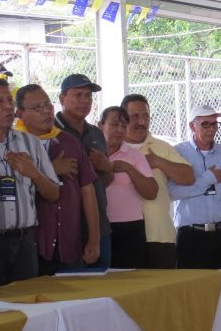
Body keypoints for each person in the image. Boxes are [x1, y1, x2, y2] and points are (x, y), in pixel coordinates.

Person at [0, 78, 59, 288]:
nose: (8, 107)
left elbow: (54, 194)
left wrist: (34, 173)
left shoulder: (31, 143)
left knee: (28, 300)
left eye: (10, 101)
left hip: (25, 241)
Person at [14, 83, 100, 273]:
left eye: (47, 104)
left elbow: (87, 190)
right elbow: (15, 190)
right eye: (37, 107)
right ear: (20, 114)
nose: (46, 111)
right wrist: (52, 170)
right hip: (33, 244)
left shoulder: (69, 142)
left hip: (69, 241)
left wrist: (94, 239)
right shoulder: (15, 145)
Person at [120, 94, 195, 268]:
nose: (142, 122)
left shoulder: (162, 147)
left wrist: (157, 162)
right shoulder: (113, 146)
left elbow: (188, 176)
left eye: (146, 116)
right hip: (124, 235)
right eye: (135, 116)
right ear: (123, 119)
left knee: (164, 285)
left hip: (160, 236)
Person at [170, 105, 221, 271]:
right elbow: (171, 192)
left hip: (220, 235)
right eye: (205, 124)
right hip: (189, 236)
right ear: (192, 126)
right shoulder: (178, 153)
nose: (212, 129)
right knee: (190, 286)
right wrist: (206, 179)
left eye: (214, 124)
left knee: (219, 286)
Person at [56, 74, 113, 267]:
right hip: (65, 230)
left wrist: (107, 168)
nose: (85, 101)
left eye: (88, 96)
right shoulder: (50, 131)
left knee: (104, 284)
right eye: (78, 95)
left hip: (99, 228)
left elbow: (104, 182)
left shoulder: (96, 133)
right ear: (62, 98)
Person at [99, 106, 158, 268]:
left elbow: (152, 192)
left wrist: (128, 168)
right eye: (114, 124)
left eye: (124, 126)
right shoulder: (91, 153)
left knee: (131, 277)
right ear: (100, 125)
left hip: (130, 227)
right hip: (98, 226)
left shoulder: (134, 155)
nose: (119, 130)